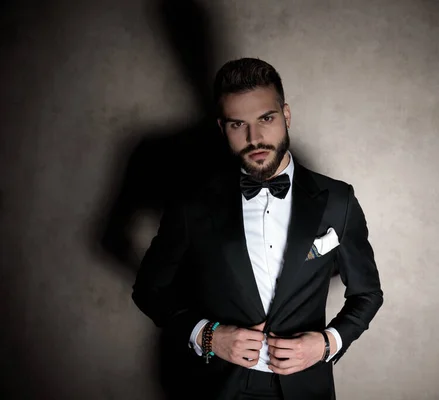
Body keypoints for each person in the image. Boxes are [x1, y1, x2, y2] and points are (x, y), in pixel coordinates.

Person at [132, 57, 384, 400]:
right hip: (217, 387)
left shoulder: (337, 200)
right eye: (238, 125)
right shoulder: (193, 204)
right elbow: (149, 288)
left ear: (286, 115)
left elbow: (367, 294)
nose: (255, 137)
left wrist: (327, 343)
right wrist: (207, 335)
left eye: (266, 118)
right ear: (222, 128)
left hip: (305, 388)